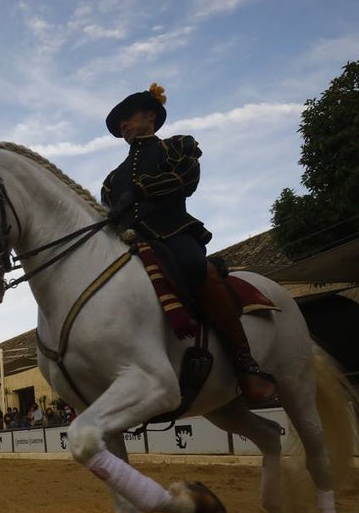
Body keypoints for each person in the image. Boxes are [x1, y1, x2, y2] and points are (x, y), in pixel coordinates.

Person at [101, 83, 277, 403]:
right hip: (132, 244)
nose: (123, 125)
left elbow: (186, 179)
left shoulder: (177, 146)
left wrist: (141, 192)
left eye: (128, 117)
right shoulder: (113, 178)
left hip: (172, 233)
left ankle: (245, 362)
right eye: (119, 123)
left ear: (150, 115)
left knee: (197, 267)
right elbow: (107, 214)